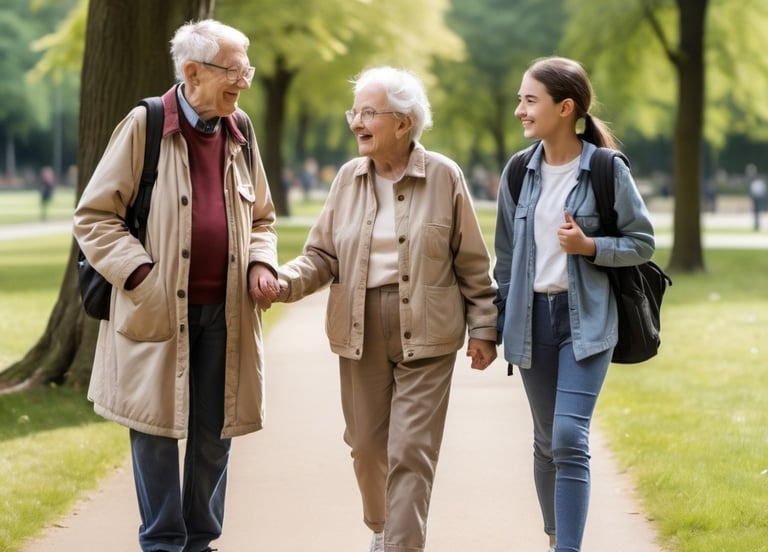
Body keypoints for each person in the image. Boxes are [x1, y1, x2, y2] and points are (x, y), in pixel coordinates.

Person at [73, 19, 280, 552]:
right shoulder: (146, 124)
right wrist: (143, 276)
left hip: (226, 311)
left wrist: (261, 264)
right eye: (233, 70)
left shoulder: (243, 130)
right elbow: (95, 216)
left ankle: (201, 541)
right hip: (159, 309)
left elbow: (262, 219)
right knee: (157, 433)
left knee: (215, 436)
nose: (243, 81)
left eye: (246, 70)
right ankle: (163, 543)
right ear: (192, 72)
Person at [275, 66, 497, 552]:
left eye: (368, 112)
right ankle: (383, 528)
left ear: (403, 122)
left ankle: (401, 544)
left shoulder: (444, 176)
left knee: (411, 449)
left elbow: (473, 262)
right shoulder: (348, 179)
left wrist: (484, 328)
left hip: (429, 330)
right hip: (360, 329)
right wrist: (284, 282)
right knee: (367, 447)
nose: (356, 121)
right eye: (354, 111)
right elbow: (322, 255)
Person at [493, 57, 655, 552]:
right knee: (546, 441)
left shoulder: (605, 168)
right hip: (531, 320)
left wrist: (591, 247)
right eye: (520, 99)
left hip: (587, 321)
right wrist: (493, 325)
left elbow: (643, 242)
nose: (520, 109)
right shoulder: (519, 171)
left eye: (529, 100)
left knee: (568, 436)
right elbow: (505, 255)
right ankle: (555, 536)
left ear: (565, 108)